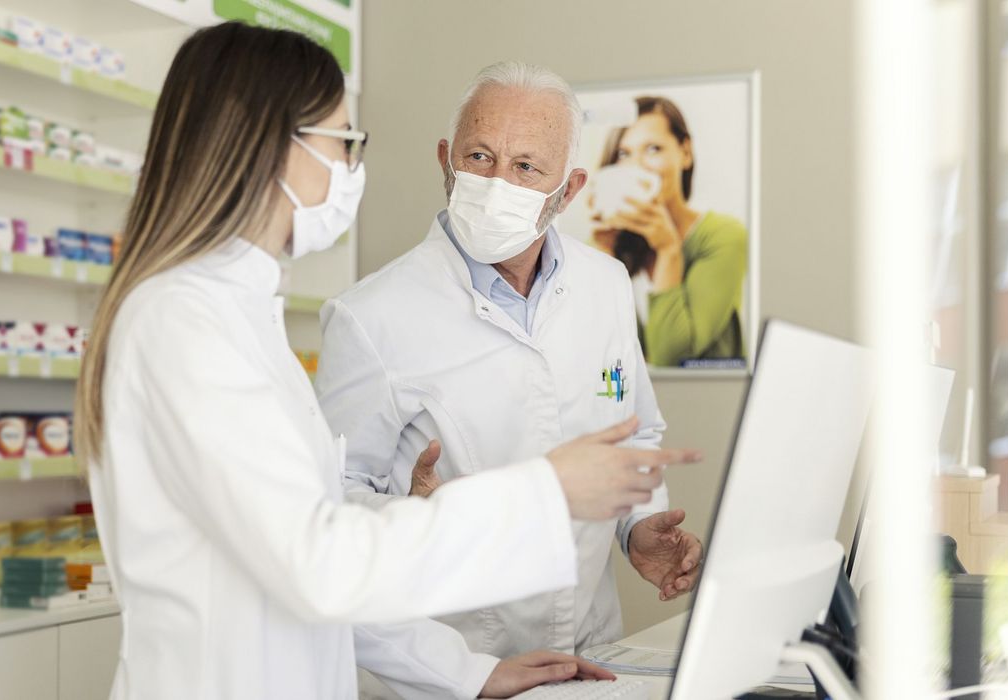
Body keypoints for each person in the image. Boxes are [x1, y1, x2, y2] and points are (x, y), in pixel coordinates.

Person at [73, 25, 694, 700]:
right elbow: (322, 563)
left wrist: (465, 668)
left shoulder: (235, 311)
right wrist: (547, 492)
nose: (350, 167)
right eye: (342, 142)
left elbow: (316, 547)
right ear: (268, 146)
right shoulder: (184, 322)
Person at [315, 62, 705, 672]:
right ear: (446, 160)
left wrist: (638, 526)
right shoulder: (371, 317)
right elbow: (328, 511)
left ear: (568, 189)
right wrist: (418, 522)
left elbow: (636, 431)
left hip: (592, 655)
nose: (497, 182)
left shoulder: (604, 284)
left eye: (526, 167)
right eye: (478, 156)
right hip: (458, 665)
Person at [592, 96, 748, 368]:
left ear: (685, 153)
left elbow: (670, 358)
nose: (636, 166)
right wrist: (604, 253)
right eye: (624, 153)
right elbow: (613, 358)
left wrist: (668, 250)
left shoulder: (723, 236)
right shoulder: (607, 243)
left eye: (653, 149)